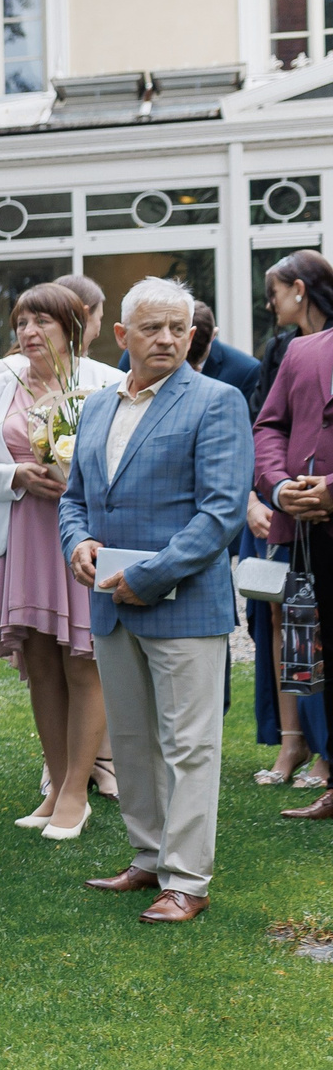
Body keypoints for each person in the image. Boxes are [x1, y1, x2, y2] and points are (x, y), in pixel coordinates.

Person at [59, 277, 253, 924]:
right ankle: (148, 856)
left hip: (184, 603)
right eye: (152, 327)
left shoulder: (217, 402)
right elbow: (76, 497)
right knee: (135, 739)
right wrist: (78, 541)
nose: (167, 338)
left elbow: (221, 511)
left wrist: (152, 573)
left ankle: (188, 879)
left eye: (179, 328)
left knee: (190, 743)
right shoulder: (96, 407)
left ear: (193, 336)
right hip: (111, 602)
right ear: (122, 336)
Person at [0, 275, 124, 803]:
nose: (29, 331)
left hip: (81, 535)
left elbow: (121, 460)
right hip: (24, 532)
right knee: (40, 663)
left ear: (72, 327)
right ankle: (57, 783)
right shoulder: (0, 383)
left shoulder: (106, 382)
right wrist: (13, 476)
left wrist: (74, 476)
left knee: (82, 660)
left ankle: (77, 793)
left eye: (42, 321)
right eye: (21, 322)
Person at [247, 250, 333, 790]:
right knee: (304, 637)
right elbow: (269, 426)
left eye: (274, 290)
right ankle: (316, 754)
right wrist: (278, 487)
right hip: (302, 532)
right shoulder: (298, 352)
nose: (269, 302)